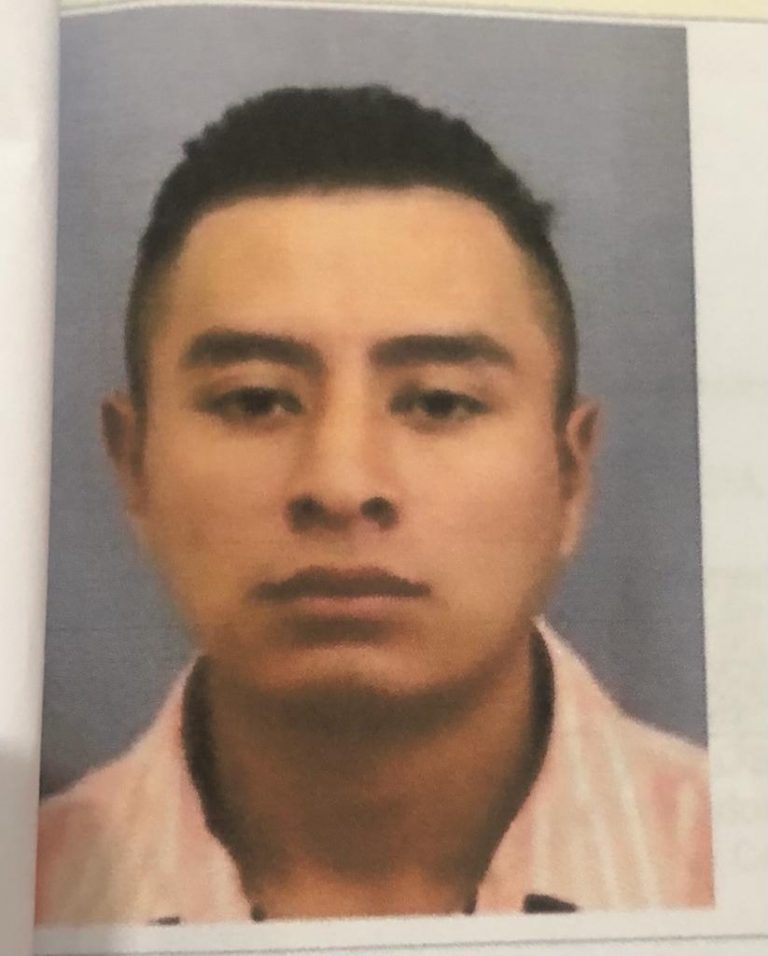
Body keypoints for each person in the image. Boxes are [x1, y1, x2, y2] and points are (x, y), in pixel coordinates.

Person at [36, 85, 713, 927]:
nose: (342, 484)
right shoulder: (32, 894)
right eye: (255, 400)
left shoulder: (730, 864)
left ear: (570, 473)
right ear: (133, 465)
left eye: (438, 402)